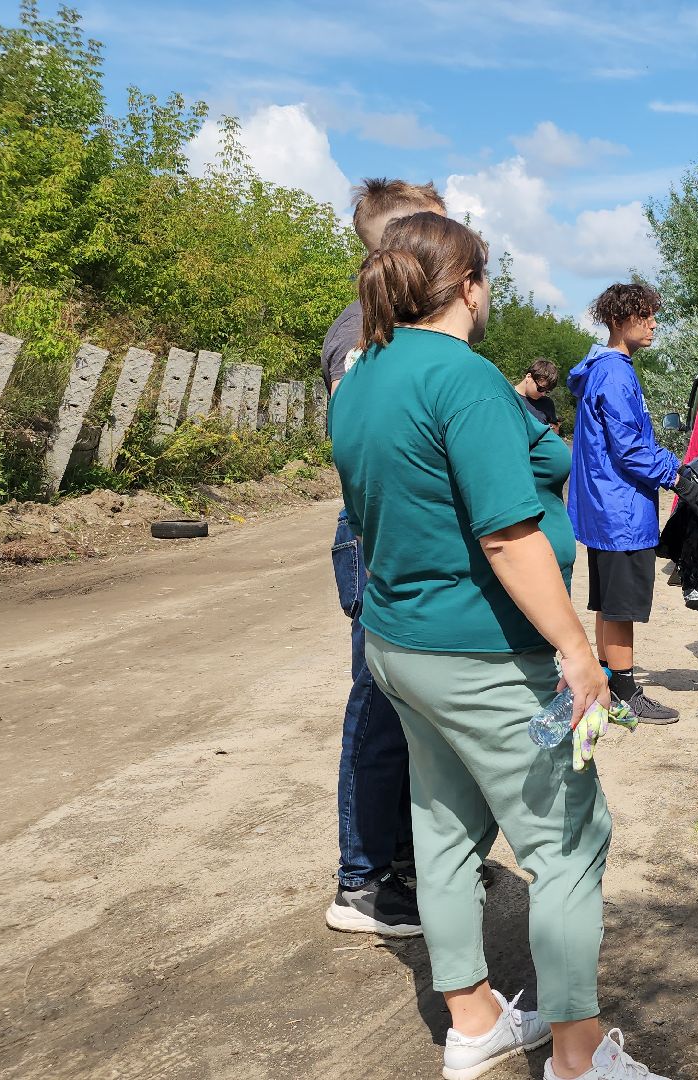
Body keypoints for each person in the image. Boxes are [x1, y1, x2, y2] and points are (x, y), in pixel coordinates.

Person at [331, 212, 671, 1080]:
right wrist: (577, 648)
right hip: (480, 654)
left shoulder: (365, 374)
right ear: (471, 285)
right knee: (567, 840)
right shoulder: (466, 378)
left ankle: (474, 1020)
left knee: (442, 830)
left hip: (397, 645)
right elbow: (506, 535)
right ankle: (579, 1059)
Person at [321, 178, 446, 938]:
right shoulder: (356, 331)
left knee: (411, 714)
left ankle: (404, 864)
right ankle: (363, 881)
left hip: (399, 533)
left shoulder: (401, 327)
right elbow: (368, 438)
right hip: (378, 537)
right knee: (378, 709)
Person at [568, 282, 698, 723]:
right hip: (620, 509)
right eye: (646, 315)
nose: (655, 323)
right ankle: (623, 690)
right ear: (620, 320)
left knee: (608, 602)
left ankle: (607, 680)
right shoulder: (615, 373)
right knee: (621, 606)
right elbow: (631, 448)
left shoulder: (603, 369)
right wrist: (678, 476)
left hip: (605, 506)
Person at [517, 358, 562, 432]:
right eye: (541, 389)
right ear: (528, 377)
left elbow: (554, 432)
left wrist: (554, 429)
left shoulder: (547, 403)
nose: (543, 394)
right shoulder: (508, 397)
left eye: (547, 391)